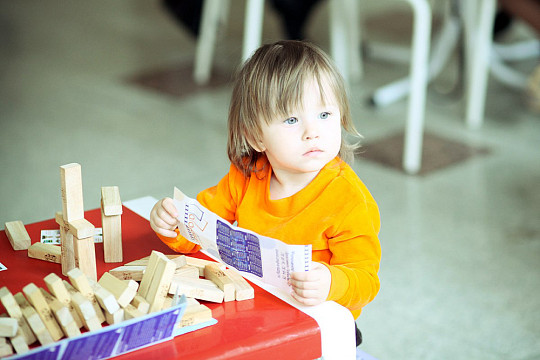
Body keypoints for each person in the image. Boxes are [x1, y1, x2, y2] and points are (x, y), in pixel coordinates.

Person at [149, 40, 381, 347]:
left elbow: (366, 279)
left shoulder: (348, 199)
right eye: (291, 119)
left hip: (319, 324)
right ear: (256, 136)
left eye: (324, 115)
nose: (312, 131)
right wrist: (173, 225)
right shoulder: (246, 175)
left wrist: (330, 283)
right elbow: (200, 232)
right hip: (256, 313)